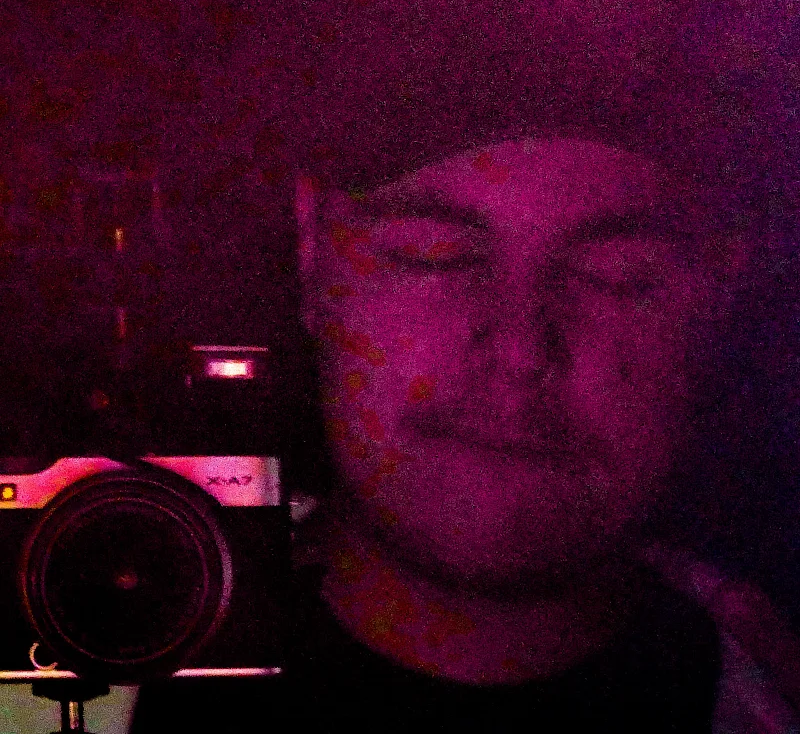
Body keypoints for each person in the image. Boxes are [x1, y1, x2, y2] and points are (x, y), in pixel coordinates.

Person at [131, 133, 760, 732]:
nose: (520, 349)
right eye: (435, 255)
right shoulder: (96, 688)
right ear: (313, 250)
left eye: (615, 275)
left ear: (718, 296)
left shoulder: (771, 686)